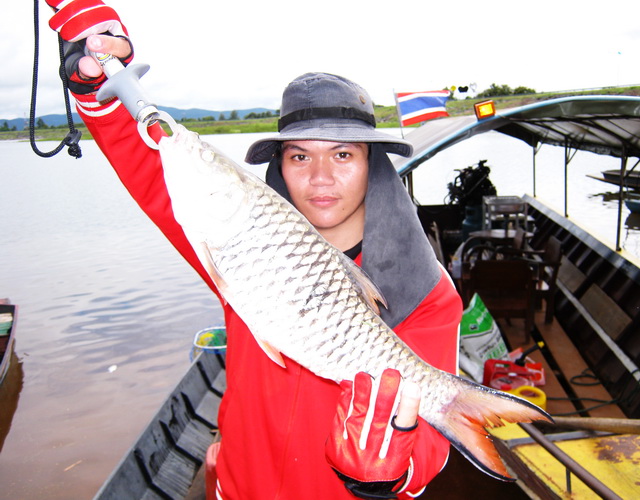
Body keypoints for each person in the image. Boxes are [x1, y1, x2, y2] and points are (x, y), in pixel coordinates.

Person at [46, 2, 463, 498]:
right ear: (280, 167)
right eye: (300, 155)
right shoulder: (244, 243)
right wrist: (98, 82)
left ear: (373, 164)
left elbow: (433, 445)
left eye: (343, 154)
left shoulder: (429, 291)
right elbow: (154, 168)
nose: (320, 177)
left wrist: (390, 474)